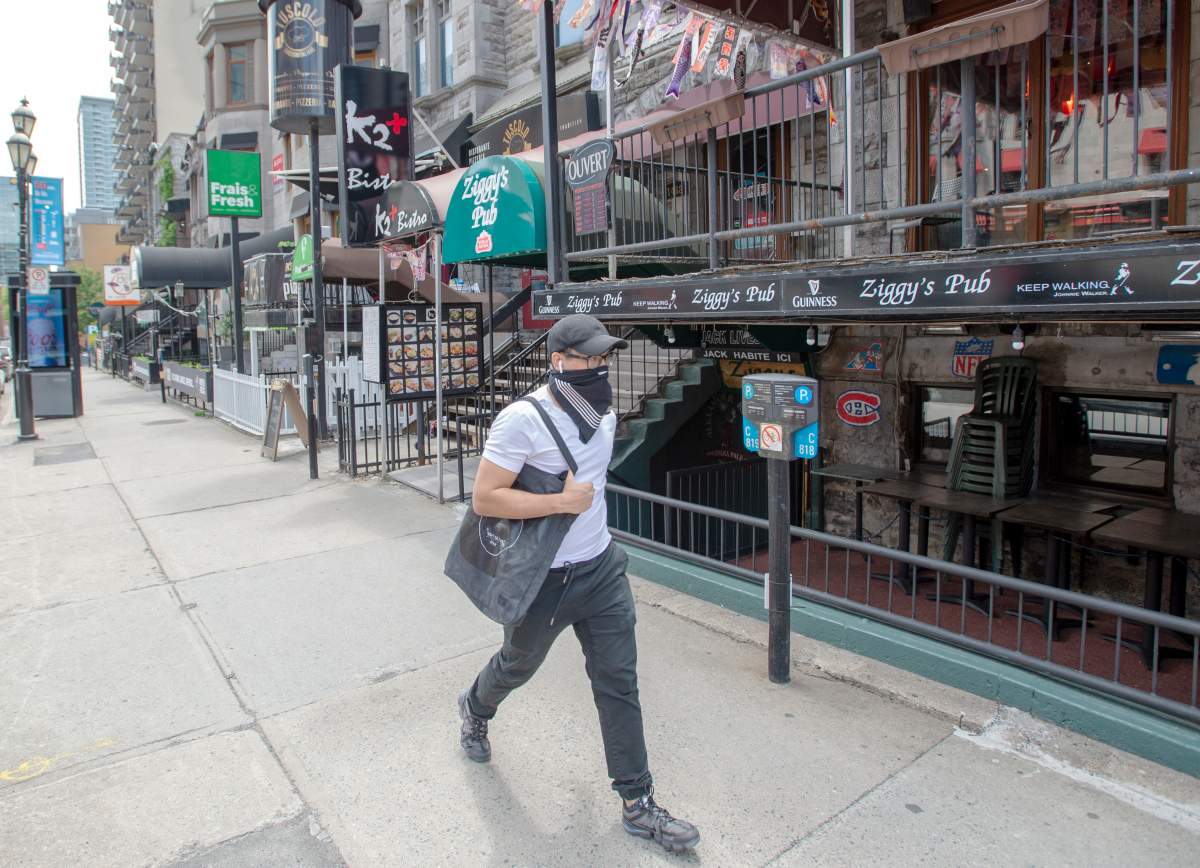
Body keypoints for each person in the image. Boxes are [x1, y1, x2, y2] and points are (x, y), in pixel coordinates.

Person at [457, 313, 700, 853]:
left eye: (603, 357)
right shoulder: (521, 420)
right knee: (517, 665)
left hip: (601, 568)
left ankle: (638, 804)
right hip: (544, 582)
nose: (599, 366)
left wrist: (584, 515)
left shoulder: (604, 411)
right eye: (588, 358)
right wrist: (559, 504)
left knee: (618, 682)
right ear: (557, 361)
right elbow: (485, 498)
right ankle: (475, 708)